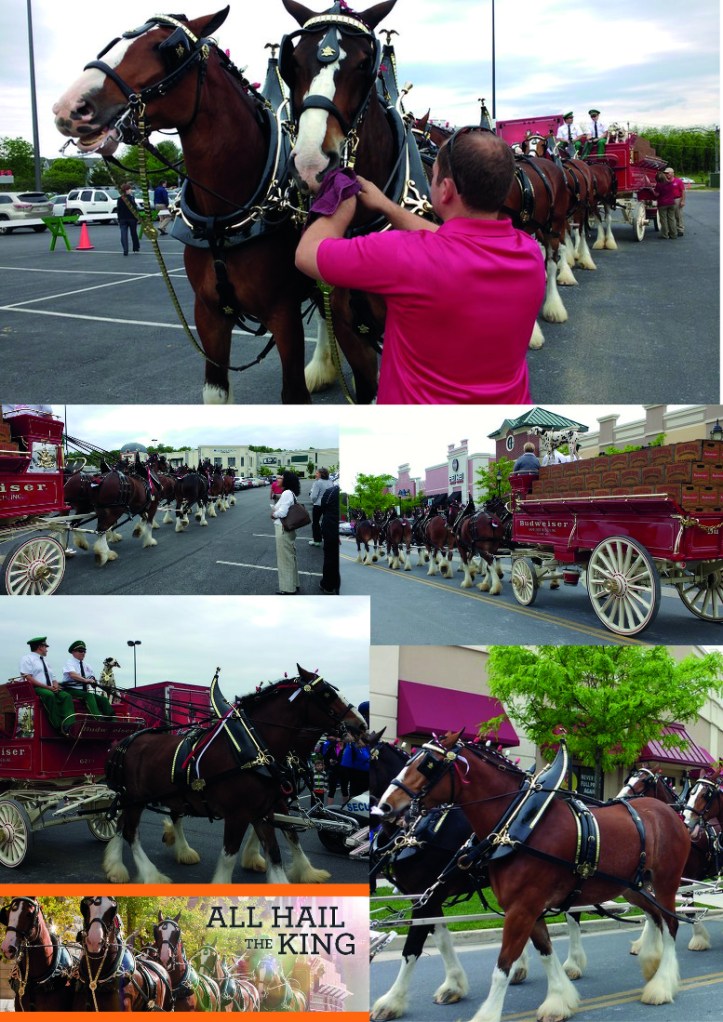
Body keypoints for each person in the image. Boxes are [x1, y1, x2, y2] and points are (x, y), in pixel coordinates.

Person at [295, 128, 545, 404]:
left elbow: (307, 254)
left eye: (434, 175)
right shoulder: (529, 252)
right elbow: (456, 241)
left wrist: (340, 204)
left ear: (446, 191)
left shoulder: (403, 254)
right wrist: (388, 207)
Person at [19, 637, 75, 734]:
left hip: (50, 688)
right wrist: (47, 687)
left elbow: (53, 678)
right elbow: (29, 678)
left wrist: (56, 686)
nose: (47, 649)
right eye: (45, 647)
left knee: (66, 696)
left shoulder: (45, 662)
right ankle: (58, 726)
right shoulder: (27, 659)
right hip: (36, 688)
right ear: (40, 647)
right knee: (49, 695)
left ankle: (69, 725)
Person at [62, 640, 115, 719]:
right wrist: (85, 680)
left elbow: (92, 678)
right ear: (73, 652)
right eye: (80, 651)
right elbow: (72, 675)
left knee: (103, 699)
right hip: (71, 690)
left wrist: (94, 683)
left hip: (83, 692)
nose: (83, 653)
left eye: (84, 651)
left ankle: (112, 719)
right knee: (89, 696)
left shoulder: (87, 665)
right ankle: (98, 718)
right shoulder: (69, 662)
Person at [270, 470, 302, 594]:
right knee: (290, 557)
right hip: (288, 529)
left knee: (284, 559)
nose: (278, 479)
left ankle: (288, 588)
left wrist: (274, 514)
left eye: (281, 478)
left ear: (286, 480)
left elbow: (282, 512)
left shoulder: (287, 493)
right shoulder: (291, 493)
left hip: (283, 529)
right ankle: (294, 583)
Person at [319, 481, 340, 595]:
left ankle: (327, 585)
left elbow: (323, 507)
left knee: (330, 557)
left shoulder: (330, 492)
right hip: (334, 527)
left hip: (330, 527)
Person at [309, 468, 334, 547]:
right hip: (328, 505)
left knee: (315, 523)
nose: (315, 474)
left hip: (318, 505)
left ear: (321, 474)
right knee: (327, 523)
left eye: (317, 473)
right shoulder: (331, 482)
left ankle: (317, 540)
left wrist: (313, 501)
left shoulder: (317, 483)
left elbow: (313, 496)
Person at [116, 182, 141, 256]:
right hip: (132, 218)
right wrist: (137, 217)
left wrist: (119, 219)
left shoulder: (120, 199)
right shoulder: (131, 198)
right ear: (126, 190)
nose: (131, 190)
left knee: (123, 234)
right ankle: (135, 248)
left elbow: (118, 210)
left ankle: (125, 250)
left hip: (123, 219)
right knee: (133, 233)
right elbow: (135, 208)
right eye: (130, 189)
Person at [653, 170, 679, 239]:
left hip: (663, 204)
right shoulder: (670, 183)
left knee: (663, 220)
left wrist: (652, 190)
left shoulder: (659, 184)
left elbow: (656, 194)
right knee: (671, 219)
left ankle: (665, 235)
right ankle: (673, 234)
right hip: (671, 203)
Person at [320, 733, 343, 804]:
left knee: (344, 790)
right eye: (337, 738)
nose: (338, 740)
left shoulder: (347, 747)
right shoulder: (332, 746)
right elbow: (325, 757)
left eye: (339, 738)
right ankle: (329, 809)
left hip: (344, 770)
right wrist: (329, 761)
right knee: (332, 790)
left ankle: (345, 807)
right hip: (333, 770)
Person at [665, 167, 686, 237]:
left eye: (668, 173)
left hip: (677, 199)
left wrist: (682, 201)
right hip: (668, 200)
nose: (667, 174)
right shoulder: (665, 182)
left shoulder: (678, 181)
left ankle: (680, 229)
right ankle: (670, 230)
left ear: (672, 173)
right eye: (666, 173)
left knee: (678, 215)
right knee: (669, 216)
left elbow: (683, 191)